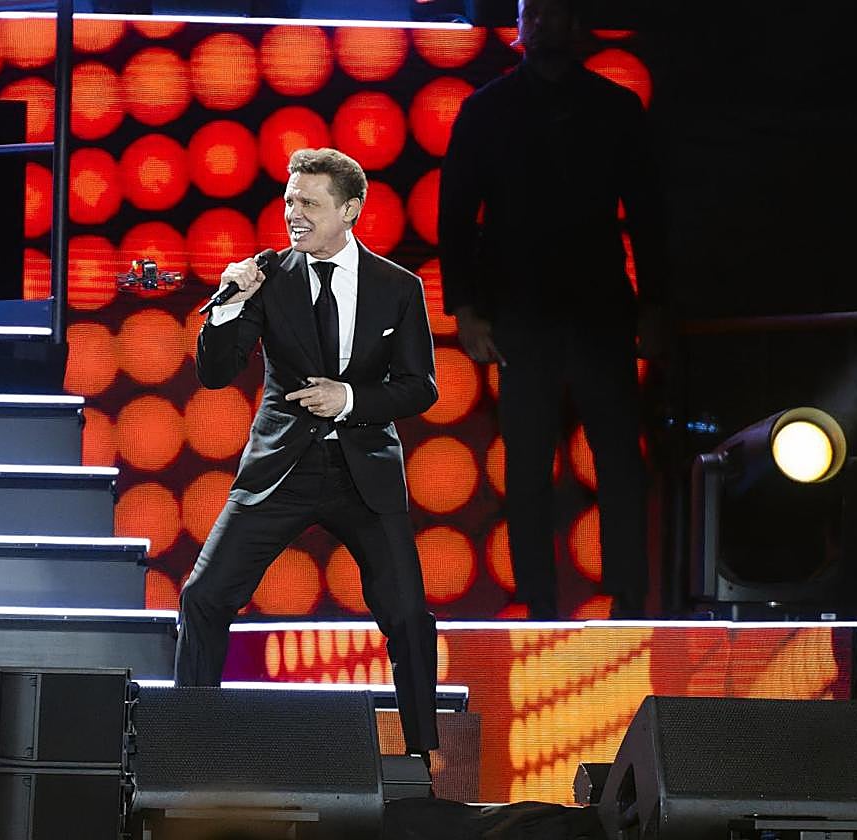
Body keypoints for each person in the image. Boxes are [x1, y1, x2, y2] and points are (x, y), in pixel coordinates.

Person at [175, 148, 441, 759]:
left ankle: (426, 763)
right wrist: (230, 303)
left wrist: (349, 397)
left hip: (363, 472)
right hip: (280, 470)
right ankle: (186, 745)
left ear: (349, 211)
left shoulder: (398, 288)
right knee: (204, 596)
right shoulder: (268, 278)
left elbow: (420, 387)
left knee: (407, 617)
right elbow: (216, 374)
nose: (294, 214)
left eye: (309, 204)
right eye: (290, 201)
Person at [439, 0, 667, 619]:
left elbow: (649, 218)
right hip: (521, 313)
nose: (540, 23)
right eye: (529, 12)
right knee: (530, 465)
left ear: (575, 23)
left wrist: (653, 307)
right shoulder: (485, 112)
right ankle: (537, 603)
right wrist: (465, 307)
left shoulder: (615, 110)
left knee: (618, 458)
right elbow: (457, 216)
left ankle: (628, 599)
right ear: (518, 24)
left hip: (598, 309)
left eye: (553, 11)